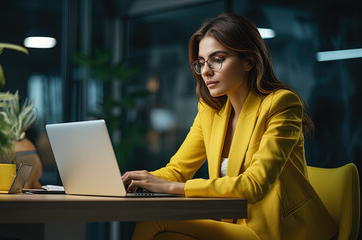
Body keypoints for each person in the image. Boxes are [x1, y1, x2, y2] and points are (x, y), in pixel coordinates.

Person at [122, 13, 337, 240]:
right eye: (201, 63)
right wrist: (136, 182)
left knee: (158, 218)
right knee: (155, 219)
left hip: (278, 232)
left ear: (249, 61)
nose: (205, 71)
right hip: (237, 224)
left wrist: (168, 188)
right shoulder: (210, 111)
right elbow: (177, 171)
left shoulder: (282, 104)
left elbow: (254, 185)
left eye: (217, 59)